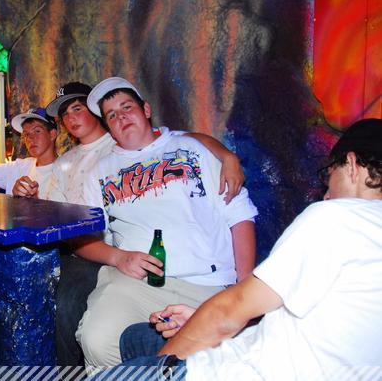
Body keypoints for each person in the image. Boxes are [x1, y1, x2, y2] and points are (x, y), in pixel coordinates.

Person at [106, 118, 382, 380]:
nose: (327, 193)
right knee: (135, 337)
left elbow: (229, 313)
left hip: (253, 370)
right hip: (279, 348)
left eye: (329, 175)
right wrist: (198, 320)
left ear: (352, 165)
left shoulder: (336, 217)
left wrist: (158, 371)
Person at [45, 81, 247, 366]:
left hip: (207, 282)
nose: (121, 117)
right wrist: (119, 258)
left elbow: (239, 215)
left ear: (146, 109)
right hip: (134, 279)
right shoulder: (95, 170)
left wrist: (244, 291)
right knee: (94, 338)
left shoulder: (190, 148)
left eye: (127, 107)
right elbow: (78, 235)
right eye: (112, 115)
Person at [0, 107, 63, 200]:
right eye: (26, 134)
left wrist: (33, 199)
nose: (30, 138)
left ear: (52, 134)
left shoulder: (65, 172)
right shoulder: (20, 166)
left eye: (37, 131)